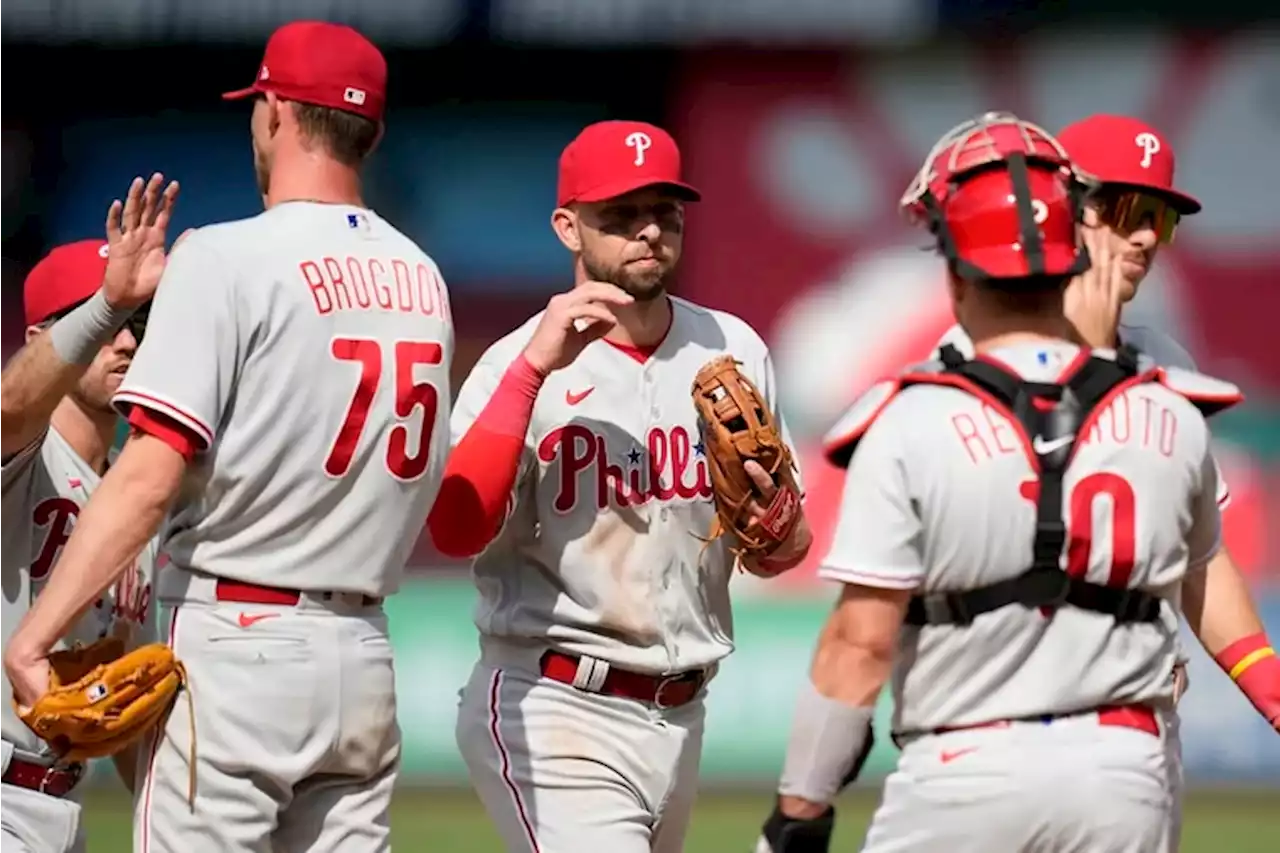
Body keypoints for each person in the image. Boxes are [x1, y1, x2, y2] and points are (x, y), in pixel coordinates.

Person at [751, 111, 1276, 853]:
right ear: (1067, 207)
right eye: (1126, 210)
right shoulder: (973, 373)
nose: (1147, 238)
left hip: (1094, 746)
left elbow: (1203, 563)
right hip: (1024, 742)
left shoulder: (1156, 370)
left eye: (1161, 217)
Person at [4, 20, 454, 853]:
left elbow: (149, 472)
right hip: (363, 650)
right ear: (373, 130)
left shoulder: (225, 256)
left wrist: (34, 637)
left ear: (276, 110)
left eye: (258, 108)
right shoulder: (423, 277)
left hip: (240, 636)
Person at [429, 119, 812, 853]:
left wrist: (777, 521)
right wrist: (532, 374)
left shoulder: (733, 347)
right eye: (621, 215)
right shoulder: (519, 364)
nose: (648, 231)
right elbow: (454, 528)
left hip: (683, 710)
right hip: (553, 704)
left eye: (664, 212)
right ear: (568, 228)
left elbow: (781, 550)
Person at [0, 175, 175, 853]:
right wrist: (106, 303)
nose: (126, 343)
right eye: (105, 325)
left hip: (63, 807)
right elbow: (11, 406)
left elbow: (126, 700)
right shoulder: (24, 458)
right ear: (50, 334)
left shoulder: (139, 494)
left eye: (139, 322)